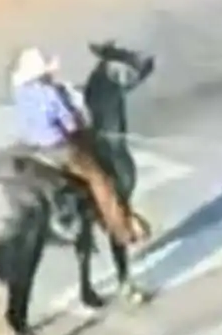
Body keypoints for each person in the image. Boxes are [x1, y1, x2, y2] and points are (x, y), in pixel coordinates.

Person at [9, 47, 149, 250]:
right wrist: (81, 126)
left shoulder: (21, 93)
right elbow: (70, 123)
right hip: (59, 148)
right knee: (100, 179)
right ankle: (122, 231)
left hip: (33, 149)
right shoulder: (50, 92)